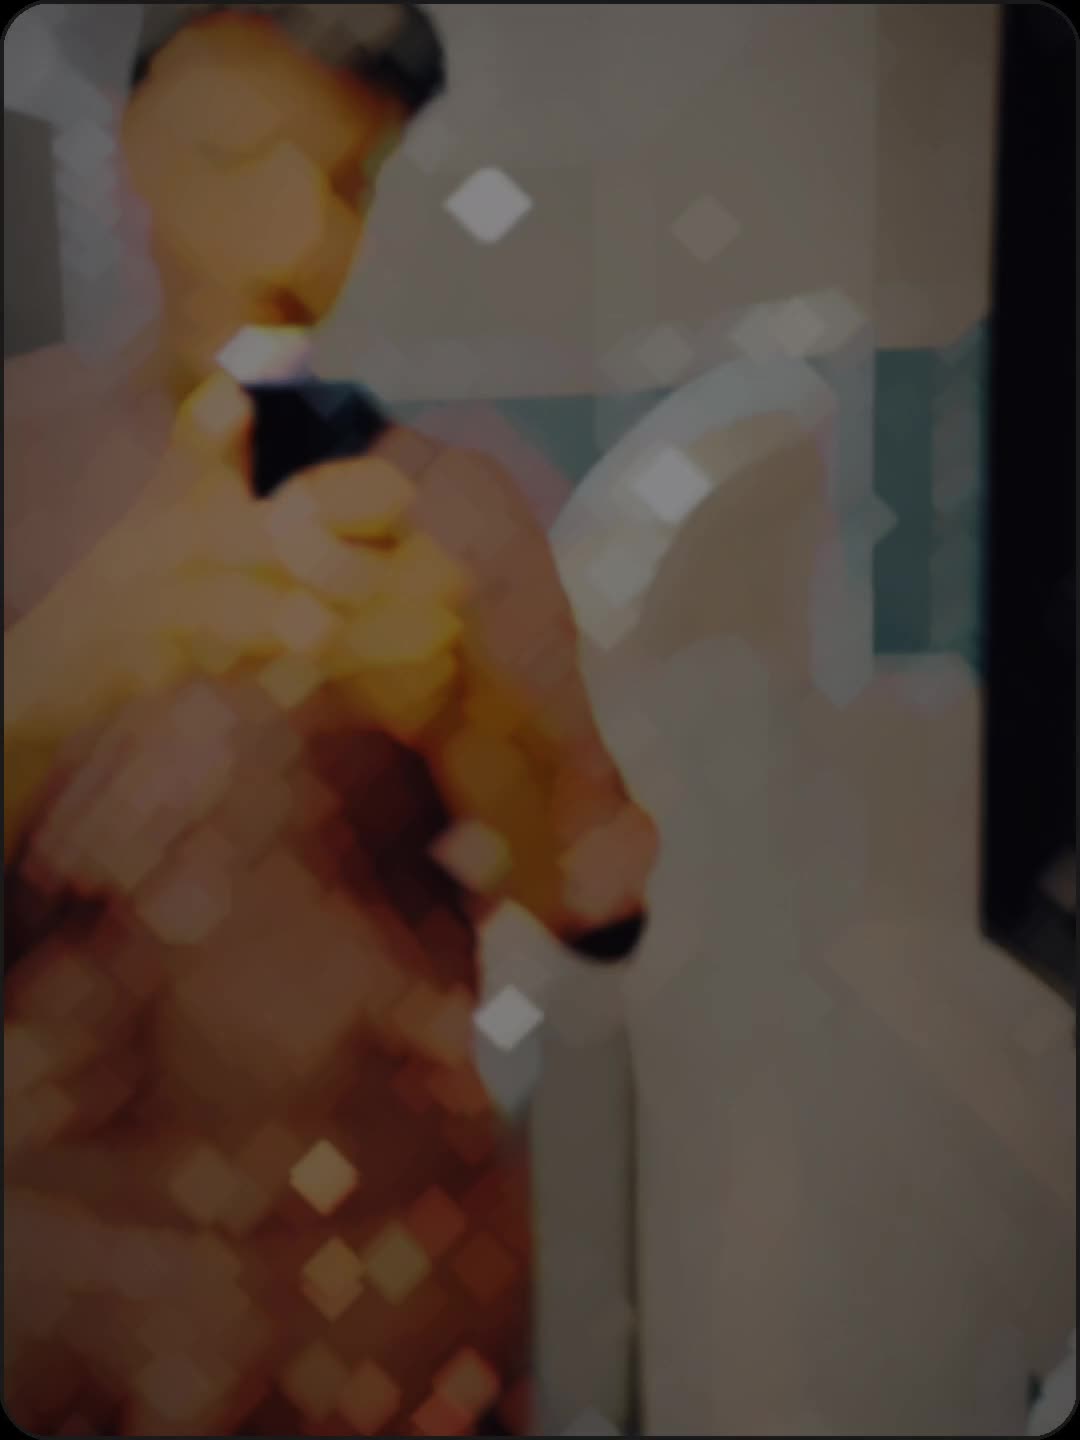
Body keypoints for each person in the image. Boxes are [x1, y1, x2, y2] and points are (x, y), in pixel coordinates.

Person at [4, 6, 656, 1435]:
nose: (296, 240)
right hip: (59, 1301)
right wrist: (57, 677)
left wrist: (464, 711)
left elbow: (598, 904)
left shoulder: (459, 503)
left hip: (399, 1302)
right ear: (128, 149)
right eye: (233, 156)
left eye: (348, 180)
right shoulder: (11, 469)